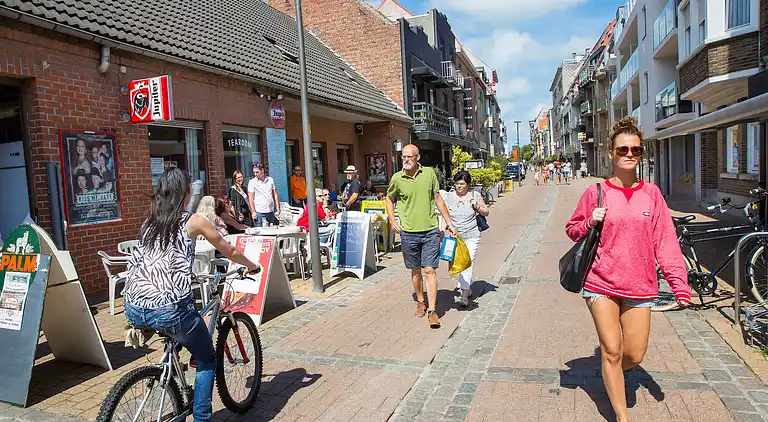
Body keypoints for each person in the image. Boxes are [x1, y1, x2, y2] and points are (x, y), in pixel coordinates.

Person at [565, 117, 690, 422]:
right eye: (623, 149)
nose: (629, 154)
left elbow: (666, 243)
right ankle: (622, 416)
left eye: (635, 149)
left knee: (633, 354)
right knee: (611, 349)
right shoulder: (596, 192)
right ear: (611, 152)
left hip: (639, 284)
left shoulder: (652, 194)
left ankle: (612, 372)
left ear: (641, 154)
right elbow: (572, 230)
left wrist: (679, 284)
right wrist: (589, 221)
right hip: (600, 282)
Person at [122, 167, 260, 422]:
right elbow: (227, 248)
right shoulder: (193, 220)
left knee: (179, 332)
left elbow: (156, 260)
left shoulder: (149, 222)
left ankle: (174, 382)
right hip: (169, 307)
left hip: (133, 304)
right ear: (186, 193)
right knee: (207, 358)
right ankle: (202, 418)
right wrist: (251, 265)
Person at [386, 144, 456, 329]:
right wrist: (393, 221)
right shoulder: (397, 178)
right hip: (408, 232)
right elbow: (388, 198)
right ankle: (420, 301)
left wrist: (448, 222)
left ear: (418, 158)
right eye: (403, 157)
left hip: (430, 230)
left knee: (430, 270)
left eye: (410, 157)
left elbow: (438, 198)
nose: (406, 160)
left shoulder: (429, 174)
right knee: (415, 270)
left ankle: (432, 311)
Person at [442, 171, 489, 307]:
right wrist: (445, 228)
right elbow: (444, 215)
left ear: (468, 184)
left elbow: (486, 212)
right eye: (456, 184)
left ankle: (464, 294)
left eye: (462, 184)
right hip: (455, 236)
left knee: (468, 262)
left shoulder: (475, 195)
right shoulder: (449, 197)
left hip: (471, 235)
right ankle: (466, 286)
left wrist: (477, 206)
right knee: (459, 263)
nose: (459, 187)